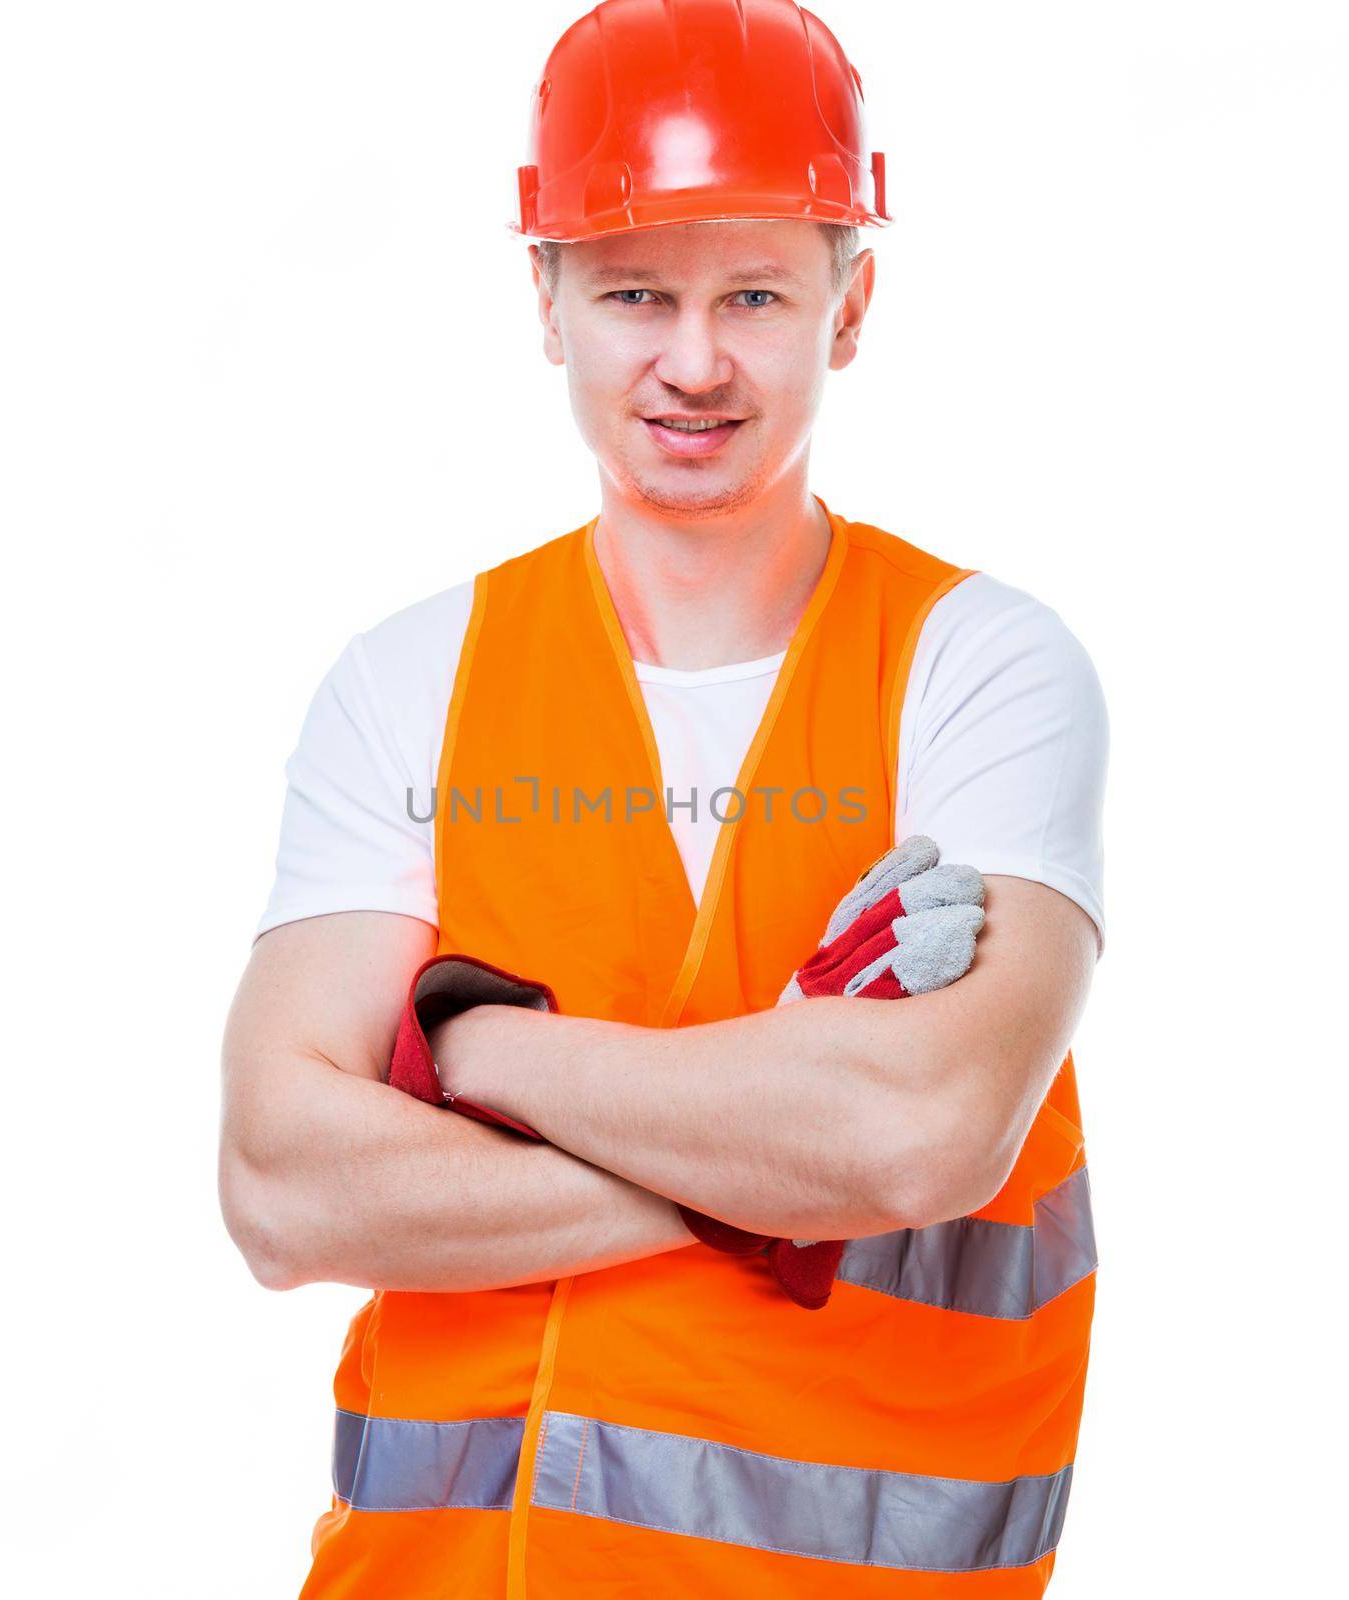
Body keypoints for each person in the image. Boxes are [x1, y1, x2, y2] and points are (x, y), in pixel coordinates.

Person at [220, 1, 1108, 1593]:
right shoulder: (409, 681)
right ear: (548, 302)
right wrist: (778, 1179)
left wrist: (482, 1052)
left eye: (754, 293)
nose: (693, 362)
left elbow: (922, 1132)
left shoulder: (979, 672)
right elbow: (282, 1185)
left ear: (850, 305)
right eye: (635, 292)